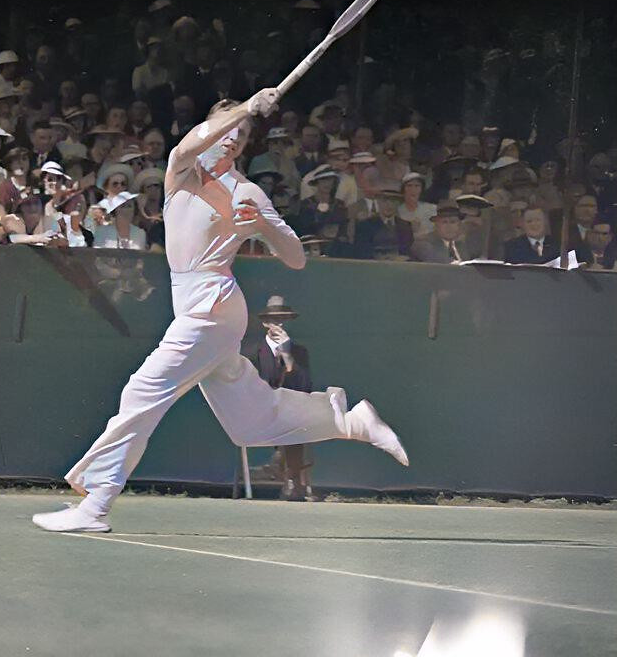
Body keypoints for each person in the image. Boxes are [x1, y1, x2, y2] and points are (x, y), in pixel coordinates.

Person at [33, 89, 408, 533]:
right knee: (248, 424)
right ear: (209, 130)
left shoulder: (246, 191)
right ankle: (347, 420)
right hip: (197, 308)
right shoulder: (183, 170)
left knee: (141, 393)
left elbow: (296, 258)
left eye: (243, 134)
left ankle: (95, 506)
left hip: (213, 306)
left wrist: (263, 225)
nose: (234, 138)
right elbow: (184, 147)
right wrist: (245, 108)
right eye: (228, 128)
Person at [247, 296, 314, 501]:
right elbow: (255, 385)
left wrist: (286, 355)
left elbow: (303, 386)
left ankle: (287, 473)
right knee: (290, 421)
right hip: (260, 412)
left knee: (295, 420)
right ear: (265, 323)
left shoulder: (299, 352)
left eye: (283, 319)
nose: (279, 324)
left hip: (289, 414)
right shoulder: (252, 352)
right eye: (275, 320)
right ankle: (287, 473)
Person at [409, 200, 474, 263]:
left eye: (453, 222)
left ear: (459, 225)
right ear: (436, 225)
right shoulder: (423, 244)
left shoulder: (461, 245)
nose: (449, 227)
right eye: (444, 222)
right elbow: (442, 265)